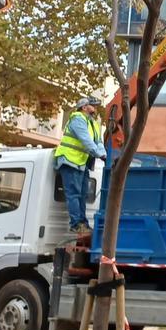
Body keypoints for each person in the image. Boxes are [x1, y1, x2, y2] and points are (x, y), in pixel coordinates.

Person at [54, 96, 106, 232]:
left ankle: (83, 222)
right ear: (84, 107)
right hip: (69, 160)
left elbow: (98, 142)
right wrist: (100, 154)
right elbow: (86, 140)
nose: (95, 108)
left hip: (81, 163)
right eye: (93, 106)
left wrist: (104, 154)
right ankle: (76, 224)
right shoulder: (78, 118)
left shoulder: (93, 123)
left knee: (83, 194)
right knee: (74, 194)